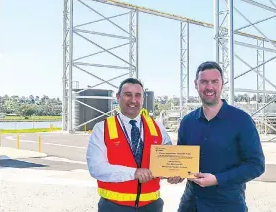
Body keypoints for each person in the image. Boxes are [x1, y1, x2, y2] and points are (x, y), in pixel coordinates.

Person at [169, 61, 265, 211]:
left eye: (214, 81)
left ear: (222, 84)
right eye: (204, 82)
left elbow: (256, 165)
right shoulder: (187, 122)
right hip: (191, 204)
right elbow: (182, 162)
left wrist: (217, 179)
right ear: (196, 84)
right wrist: (176, 174)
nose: (209, 87)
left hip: (227, 204)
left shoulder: (241, 120)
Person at [86, 78, 172, 212]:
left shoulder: (157, 128)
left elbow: (169, 160)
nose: (133, 100)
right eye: (128, 95)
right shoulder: (102, 128)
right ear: (118, 96)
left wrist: (175, 173)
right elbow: (96, 168)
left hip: (152, 206)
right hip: (113, 206)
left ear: (143, 99)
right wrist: (134, 173)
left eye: (138, 95)